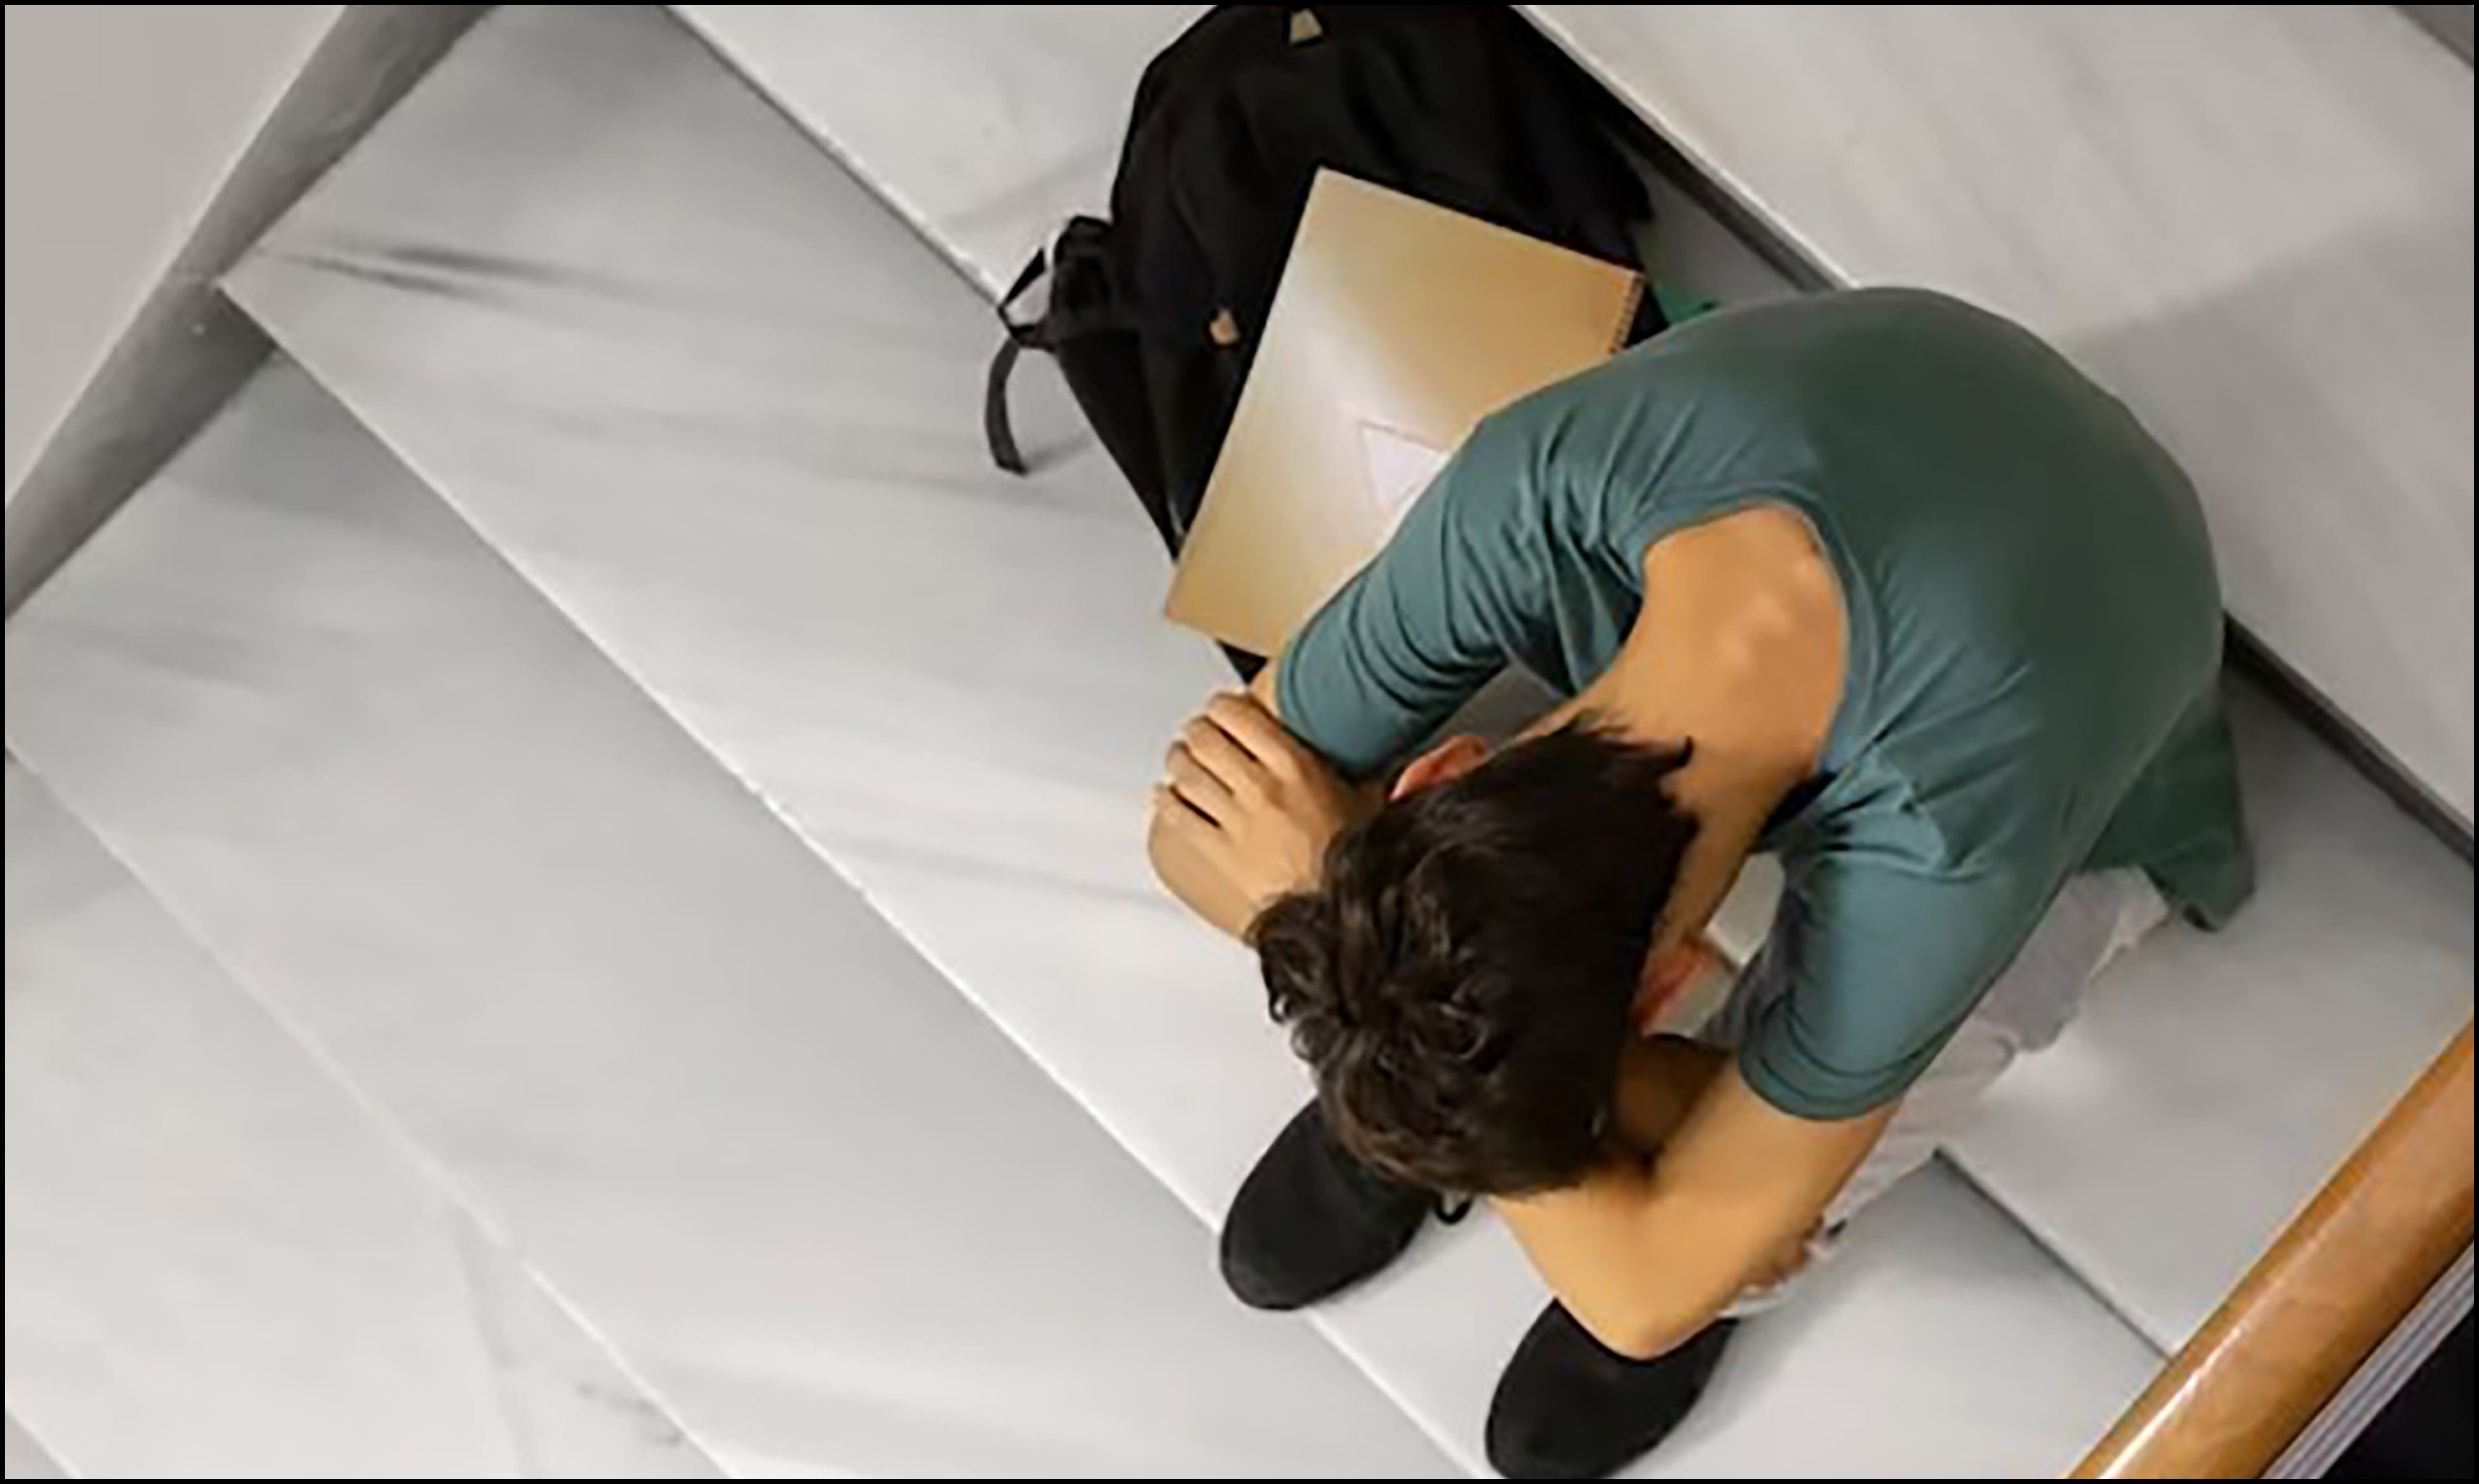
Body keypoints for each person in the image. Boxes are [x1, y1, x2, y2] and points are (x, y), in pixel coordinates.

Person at [1146, 288, 2254, 1479]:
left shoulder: (1944, 847)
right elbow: (1191, 830)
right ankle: (1455, 1096)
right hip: (1927, 438)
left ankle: (1473, 1118)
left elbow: (1639, 1303)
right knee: (1670, 1162)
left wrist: (1452, 1060)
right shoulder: (1534, 494)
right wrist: (1403, 1000)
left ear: (1668, 988)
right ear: (1440, 773)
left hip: (2089, 802)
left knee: (1833, 1141)